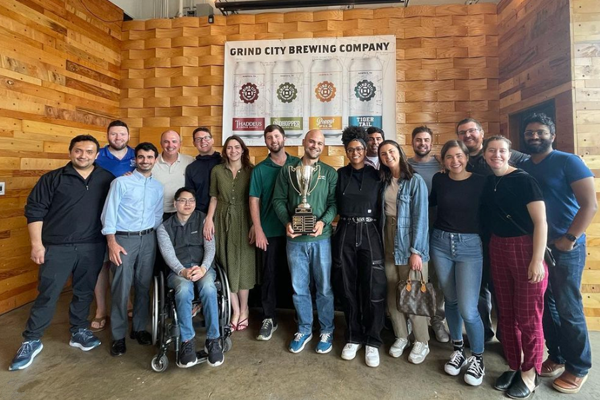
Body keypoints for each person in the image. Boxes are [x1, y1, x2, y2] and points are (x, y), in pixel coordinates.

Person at [10, 135, 114, 371]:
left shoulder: (107, 179)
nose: (83, 155)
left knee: (84, 292)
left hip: (92, 246)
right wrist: (37, 244)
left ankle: (79, 331)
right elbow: (34, 211)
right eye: (78, 151)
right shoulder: (52, 179)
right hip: (57, 247)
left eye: (89, 152)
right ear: (70, 152)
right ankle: (31, 340)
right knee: (48, 293)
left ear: (97, 155)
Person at [520, 113, 597, 394]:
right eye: (529, 133)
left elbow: (589, 204)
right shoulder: (526, 166)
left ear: (552, 135)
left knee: (568, 306)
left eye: (540, 132)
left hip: (566, 246)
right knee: (546, 305)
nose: (534, 137)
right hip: (538, 246)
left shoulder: (568, 161)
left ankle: (579, 367)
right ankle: (558, 355)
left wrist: (570, 238)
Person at [481, 135, 548, 398]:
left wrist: (536, 259)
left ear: (509, 154)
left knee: (529, 317)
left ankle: (531, 372)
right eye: (491, 150)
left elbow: (541, 222)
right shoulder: (489, 181)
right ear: (485, 154)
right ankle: (514, 365)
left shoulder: (524, 180)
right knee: (506, 314)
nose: (496, 154)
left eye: (501, 150)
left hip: (525, 248)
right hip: (498, 247)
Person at [456, 118, 529, 344]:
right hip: (476, 232)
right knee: (479, 286)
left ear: (481, 132)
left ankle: (509, 340)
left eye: (471, 131)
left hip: (506, 233)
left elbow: (527, 162)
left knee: (503, 290)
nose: (468, 136)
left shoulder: (502, 154)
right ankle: (484, 332)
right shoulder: (463, 159)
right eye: (462, 133)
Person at [273, 129, 338, 354]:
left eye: (320, 143)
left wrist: (324, 222)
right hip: (295, 241)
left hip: (321, 239)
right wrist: (286, 222)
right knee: (299, 288)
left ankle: (327, 329)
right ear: (304, 142)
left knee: (324, 287)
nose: (315, 146)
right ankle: (304, 328)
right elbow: (278, 200)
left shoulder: (329, 173)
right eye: (312, 141)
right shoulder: (288, 172)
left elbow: (333, 203)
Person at [429, 140, 486, 386]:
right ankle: (458, 349)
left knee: (468, 309)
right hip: (440, 243)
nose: (455, 161)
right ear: (443, 161)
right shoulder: (439, 180)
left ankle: (478, 358)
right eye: (450, 157)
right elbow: (432, 207)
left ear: (466, 157)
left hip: (470, 246)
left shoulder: (481, 181)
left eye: (459, 156)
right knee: (450, 301)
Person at [101, 142, 164, 357]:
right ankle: (118, 336)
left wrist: (153, 238)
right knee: (121, 288)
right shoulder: (121, 183)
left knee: (143, 286)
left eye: (149, 157)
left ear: (155, 159)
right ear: (135, 159)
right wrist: (111, 242)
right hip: (123, 240)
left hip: (148, 239)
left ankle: (138, 328)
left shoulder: (158, 187)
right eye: (141, 157)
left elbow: (157, 215)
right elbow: (108, 214)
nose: (145, 161)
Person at [334, 126, 386, 367]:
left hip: (370, 232)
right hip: (345, 231)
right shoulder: (340, 174)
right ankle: (354, 336)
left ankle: (373, 340)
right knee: (347, 286)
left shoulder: (377, 175)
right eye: (350, 149)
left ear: (366, 150)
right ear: (346, 151)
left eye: (359, 149)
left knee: (373, 287)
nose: (355, 152)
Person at [157, 187, 223, 368]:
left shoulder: (203, 220)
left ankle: (213, 339)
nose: (188, 204)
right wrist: (182, 271)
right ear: (175, 203)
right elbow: (168, 255)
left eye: (191, 200)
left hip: (203, 268)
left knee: (209, 288)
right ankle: (187, 342)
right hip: (179, 272)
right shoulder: (164, 227)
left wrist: (202, 268)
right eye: (183, 200)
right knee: (184, 289)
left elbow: (210, 248)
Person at [378, 140, 431, 364]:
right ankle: (401, 335)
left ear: (399, 153)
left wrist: (416, 251)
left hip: (409, 241)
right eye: (383, 153)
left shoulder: (415, 181)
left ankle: (422, 341)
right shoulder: (383, 181)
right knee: (392, 290)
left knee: (414, 292)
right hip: (387, 239)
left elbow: (421, 218)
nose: (388, 156)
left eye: (391, 151)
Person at [249, 125, 299, 341]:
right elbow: (254, 200)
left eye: (277, 136)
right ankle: (269, 317)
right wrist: (258, 228)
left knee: (297, 275)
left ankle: (301, 316)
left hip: (297, 231)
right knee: (269, 275)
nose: (273, 140)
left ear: (284, 138)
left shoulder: (298, 164)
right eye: (269, 137)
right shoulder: (260, 169)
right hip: (270, 230)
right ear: (266, 141)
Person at [203, 135, 256, 332]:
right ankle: (235, 310)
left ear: (243, 150)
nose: (233, 151)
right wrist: (209, 219)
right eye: (229, 148)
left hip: (245, 219)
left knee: (244, 266)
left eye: (236, 147)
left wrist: (254, 224)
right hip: (222, 219)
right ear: (225, 151)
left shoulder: (252, 171)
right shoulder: (217, 170)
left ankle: (245, 309)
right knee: (226, 264)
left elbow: (256, 199)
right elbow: (214, 197)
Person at [91, 120, 136, 332]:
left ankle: (126, 302)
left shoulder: (137, 156)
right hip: (98, 216)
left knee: (124, 264)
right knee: (101, 266)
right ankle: (100, 310)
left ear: (128, 135)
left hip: (127, 219)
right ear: (107, 135)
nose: (118, 138)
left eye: (122, 134)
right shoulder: (97, 155)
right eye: (114, 134)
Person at [407, 126, 449, 344]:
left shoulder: (442, 165)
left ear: (431, 143)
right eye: (418, 140)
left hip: (438, 229)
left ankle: (437, 320)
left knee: (438, 280)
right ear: (412, 142)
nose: (422, 143)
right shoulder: (405, 165)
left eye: (426, 140)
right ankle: (414, 319)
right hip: (413, 232)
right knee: (415, 278)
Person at [152, 130, 194, 219]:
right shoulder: (151, 162)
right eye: (166, 142)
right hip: (156, 214)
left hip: (182, 213)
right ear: (161, 144)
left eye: (174, 141)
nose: (170, 145)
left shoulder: (190, 161)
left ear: (180, 144)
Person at [185, 127, 222, 214]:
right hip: (200, 214)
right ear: (194, 143)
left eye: (206, 138)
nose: (203, 141)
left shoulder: (224, 162)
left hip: (222, 213)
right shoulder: (191, 168)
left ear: (212, 140)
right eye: (198, 139)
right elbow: (190, 195)